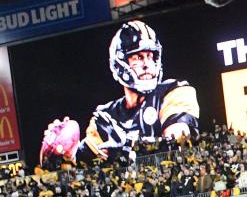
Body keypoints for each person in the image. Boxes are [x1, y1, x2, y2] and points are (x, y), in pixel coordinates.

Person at [40, 20, 199, 165]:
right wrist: (66, 154)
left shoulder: (176, 92)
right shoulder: (104, 118)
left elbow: (176, 145)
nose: (147, 64)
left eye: (150, 56)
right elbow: (86, 165)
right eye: (137, 57)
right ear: (120, 62)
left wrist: (123, 147)